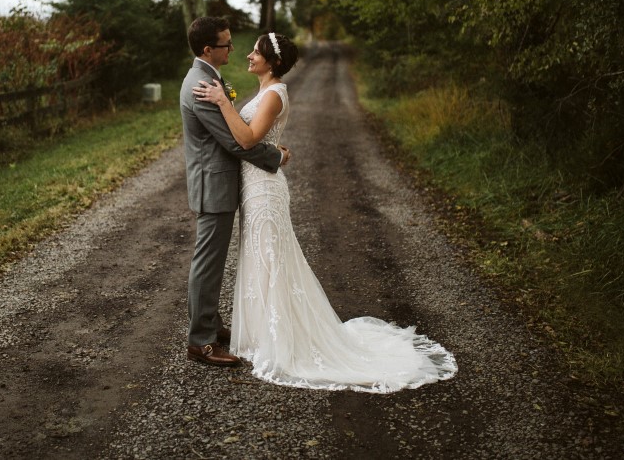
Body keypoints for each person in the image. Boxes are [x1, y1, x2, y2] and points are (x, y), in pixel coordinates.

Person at [192, 32, 457, 392]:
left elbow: (247, 139)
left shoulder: (274, 94)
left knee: (271, 258)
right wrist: (276, 150)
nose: (249, 55)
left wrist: (224, 102)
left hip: (265, 191)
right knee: (261, 258)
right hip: (254, 187)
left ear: (273, 62)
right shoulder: (264, 92)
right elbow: (257, 139)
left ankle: (282, 338)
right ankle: (260, 333)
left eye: (257, 51)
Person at [179, 16, 292, 367]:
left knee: (212, 261)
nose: (233, 49)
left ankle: (211, 325)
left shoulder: (209, 77)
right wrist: (276, 155)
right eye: (227, 44)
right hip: (213, 185)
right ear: (208, 49)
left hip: (223, 183)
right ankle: (200, 341)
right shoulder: (200, 85)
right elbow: (236, 142)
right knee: (208, 263)